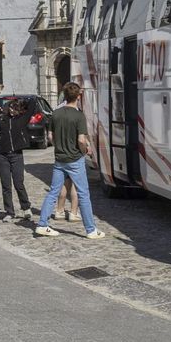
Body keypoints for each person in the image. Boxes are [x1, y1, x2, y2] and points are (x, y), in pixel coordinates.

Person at [32, 83, 104, 240]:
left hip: (59, 159)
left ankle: (42, 225)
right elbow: (81, 139)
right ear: (78, 97)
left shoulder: (55, 114)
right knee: (83, 193)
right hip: (75, 159)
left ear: (64, 95)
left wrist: (60, 147)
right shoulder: (79, 116)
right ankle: (91, 229)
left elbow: (50, 136)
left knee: (53, 192)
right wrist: (86, 150)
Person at [0, 95, 34, 223]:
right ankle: (9, 211)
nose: (12, 110)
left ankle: (26, 207)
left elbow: (32, 104)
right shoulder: (2, 120)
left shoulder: (22, 119)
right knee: (6, 185)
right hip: (3, 156)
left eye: (15, 108)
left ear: (19, 110)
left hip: (17, 155)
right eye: (10, 107)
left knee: (19, 183)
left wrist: (20, 100)